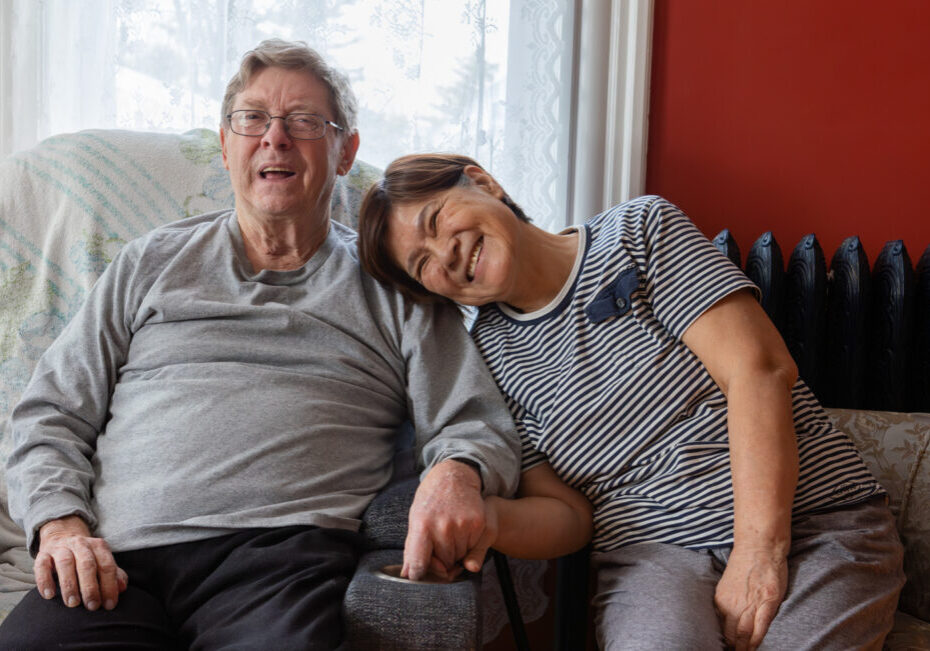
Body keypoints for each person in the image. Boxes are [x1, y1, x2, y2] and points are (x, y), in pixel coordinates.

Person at [0, 41, 538, 650]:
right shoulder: (150, 262)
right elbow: (50, 411)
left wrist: (457, 472)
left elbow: (474, 422)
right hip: (114, 564)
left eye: (305, 122)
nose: (274, 138)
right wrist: (61, 525)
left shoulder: (396, 286)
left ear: (345, 152)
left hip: (280, 564)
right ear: (225, 145)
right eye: (252, 119)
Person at [356, 153, 907, 651]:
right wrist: (492, 521)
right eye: (422, 264)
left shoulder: (638, 231)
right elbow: (570, 517)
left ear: (483, 182)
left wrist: (756, 553)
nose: (444, 256)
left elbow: (757, 371)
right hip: (653, 558)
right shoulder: (489, 357)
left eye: (436, 221)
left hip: (812, 522)